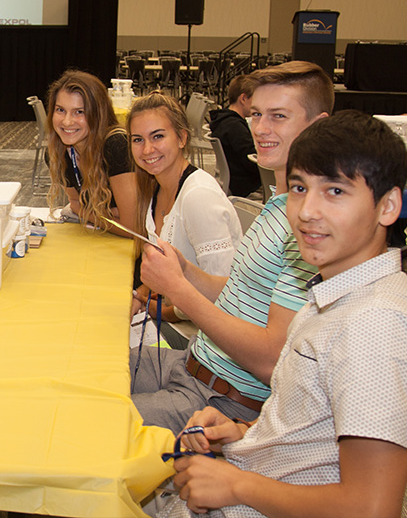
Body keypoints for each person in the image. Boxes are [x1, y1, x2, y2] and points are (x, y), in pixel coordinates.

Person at [159, 110, 407, 518]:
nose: (307, 210)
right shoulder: (334, 293)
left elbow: (372, 507)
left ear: (388, 206)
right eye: (298, 187)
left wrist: (238, 483)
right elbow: (312, 436)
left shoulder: (373, 324)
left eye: (336, 191)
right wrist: (240, 433)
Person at [132, 61, 332, 433]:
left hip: (220, 397)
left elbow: (271, 359)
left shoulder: (310, 228)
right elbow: (242, 290)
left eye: (278, 116)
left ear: (317, 126)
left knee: (81, 417)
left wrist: (177, 289)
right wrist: (187, 272)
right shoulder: (278, 204)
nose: (260, 128)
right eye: (256, 114)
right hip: (192, 364)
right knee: (79, 368)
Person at [128, 93, 242, 322]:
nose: (147, 149)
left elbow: (223, 296)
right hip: (174, 316)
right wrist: (139, 297)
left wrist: (161, 312)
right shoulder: (156, 187)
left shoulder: (197, 196)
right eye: (138, 139)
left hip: (203, 335)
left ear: (182, 138)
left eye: (157, 136)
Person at [46, 69, 137, 235]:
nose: (67, 121)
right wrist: (111, 215)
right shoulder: (58, 154)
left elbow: (132, 228)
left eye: (79, 112)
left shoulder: (116, 146)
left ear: (98, 113)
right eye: (60, 110)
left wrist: (90, 213)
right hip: (104, 237)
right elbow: (74, 203)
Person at [207, 74, 261, 197]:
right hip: (242, 183)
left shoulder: (223, 120)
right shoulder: (234, 126)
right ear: (243, 98)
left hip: (232, 178)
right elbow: (251, 162)